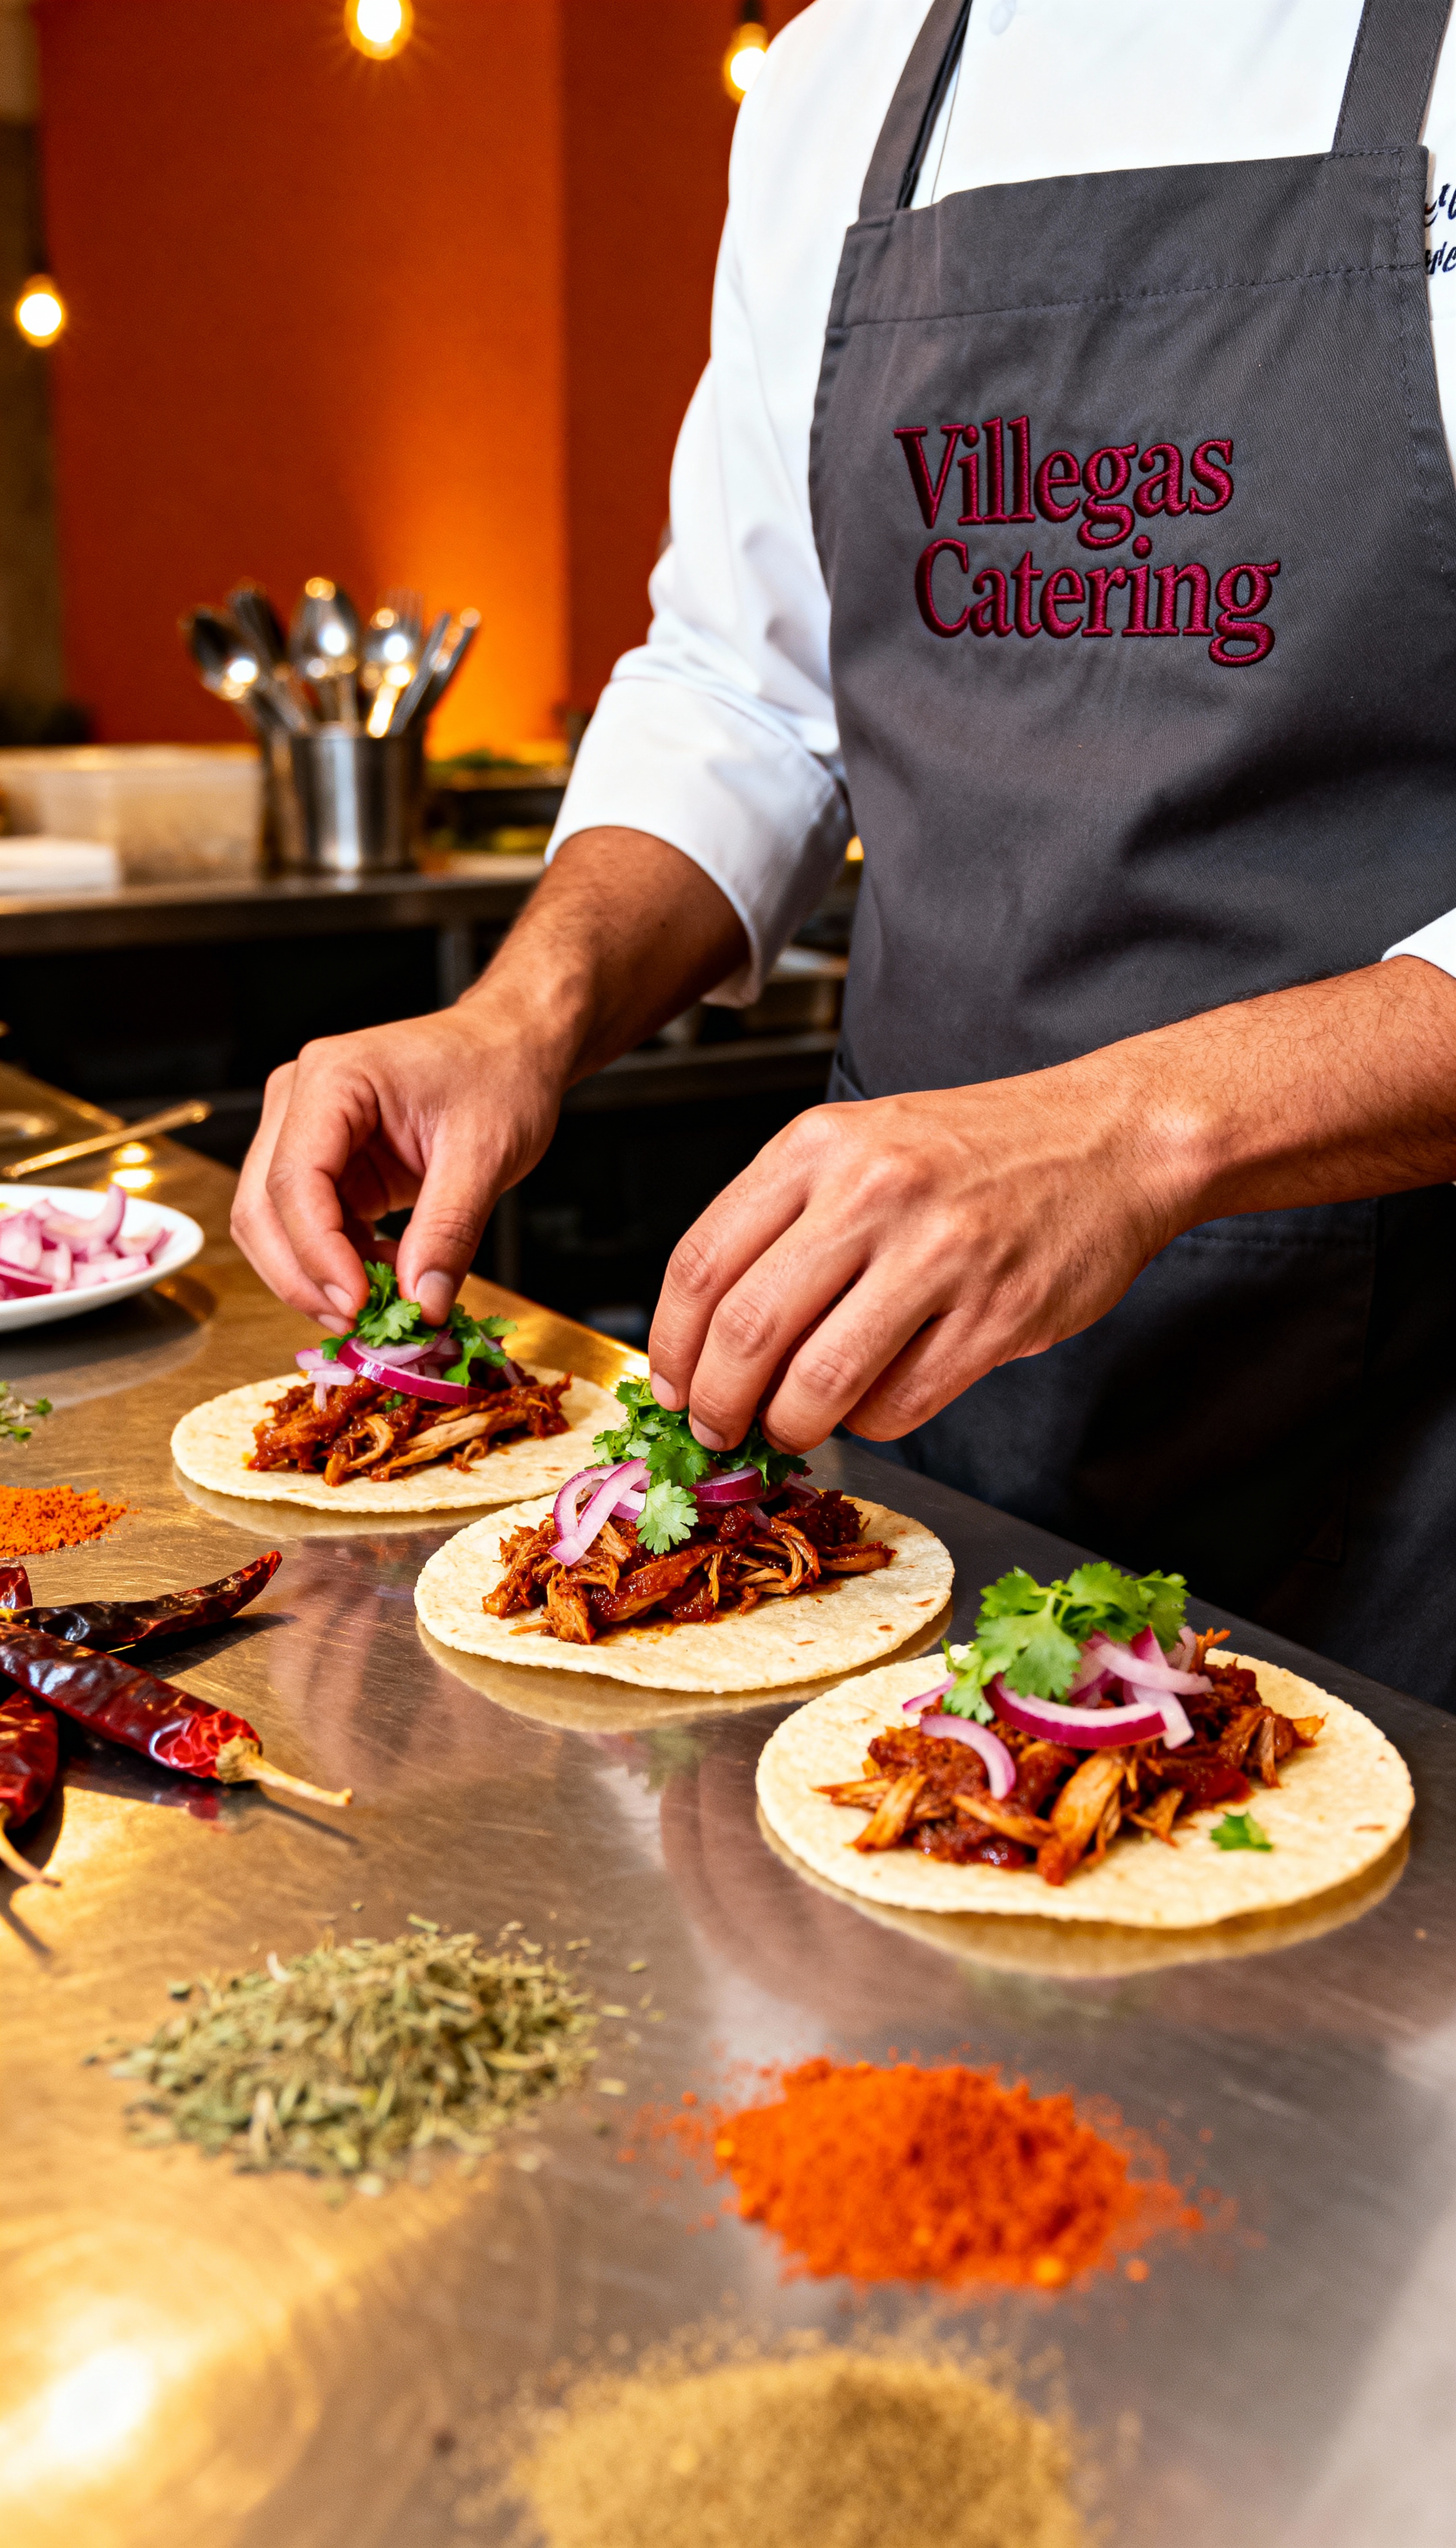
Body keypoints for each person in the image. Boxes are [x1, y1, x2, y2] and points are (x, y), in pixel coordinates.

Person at [235, 0, 1456, 1707]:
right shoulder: (839, 73)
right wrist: (517, 1017)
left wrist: (1128, 1133)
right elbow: (744, 692)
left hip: (1401, 1402)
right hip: (905, 1383)